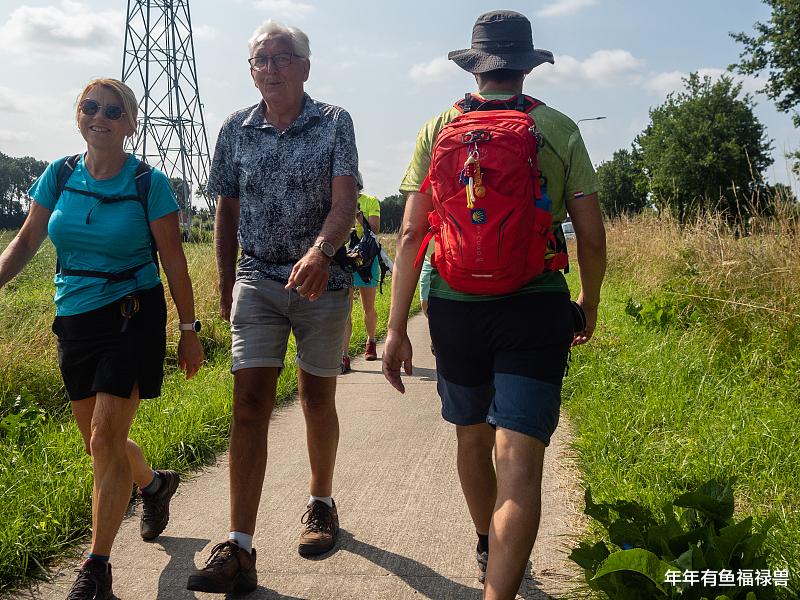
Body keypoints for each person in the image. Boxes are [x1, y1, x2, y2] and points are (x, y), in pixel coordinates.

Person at [383, 10, 606, 600]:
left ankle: (488, 540)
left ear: (476, 66)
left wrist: (395, 327)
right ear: (527, 66)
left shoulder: (437, 128)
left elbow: (411, 234)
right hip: (533, 306)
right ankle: (500, 585)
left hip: (454, 308)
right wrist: (589, 298)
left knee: (472, 440)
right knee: (521, 464)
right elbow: (591, 229)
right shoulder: (557, 128)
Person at [0, 77, 204, 600]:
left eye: (113, 110)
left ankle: (97, 569)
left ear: (130, 123)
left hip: (132, 314)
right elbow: (26, 242)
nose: (100, 116)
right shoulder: (59, 174)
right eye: (90, 106)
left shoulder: (148, 183)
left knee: (103, 439)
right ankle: (154, 485)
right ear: (78, 115)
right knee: (101, 441)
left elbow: (175, 263)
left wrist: (188, 330)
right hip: (75, 318)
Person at [186, 20, 358, 595]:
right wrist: (223, 282)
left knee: (315, 398)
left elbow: (345, 200)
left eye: (283, 58)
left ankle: (321, 502)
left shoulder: (334, 122)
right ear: (252, 72)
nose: (272, 68)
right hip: (256, 279)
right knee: (248, 402)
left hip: (321, 282)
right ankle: (239, 545)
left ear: (305, 67)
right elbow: (226, 211)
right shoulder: (234, 129)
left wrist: (321, 252)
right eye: (261, 60)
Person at [341, 184, 381, 372]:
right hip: (344, 259)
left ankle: (371, 340)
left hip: (367, 260)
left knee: (368, 308)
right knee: (344, 311)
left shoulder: (371, 201)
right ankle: (344, 356)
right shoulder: (338, 201)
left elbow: (374, 229)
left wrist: (357, 214)